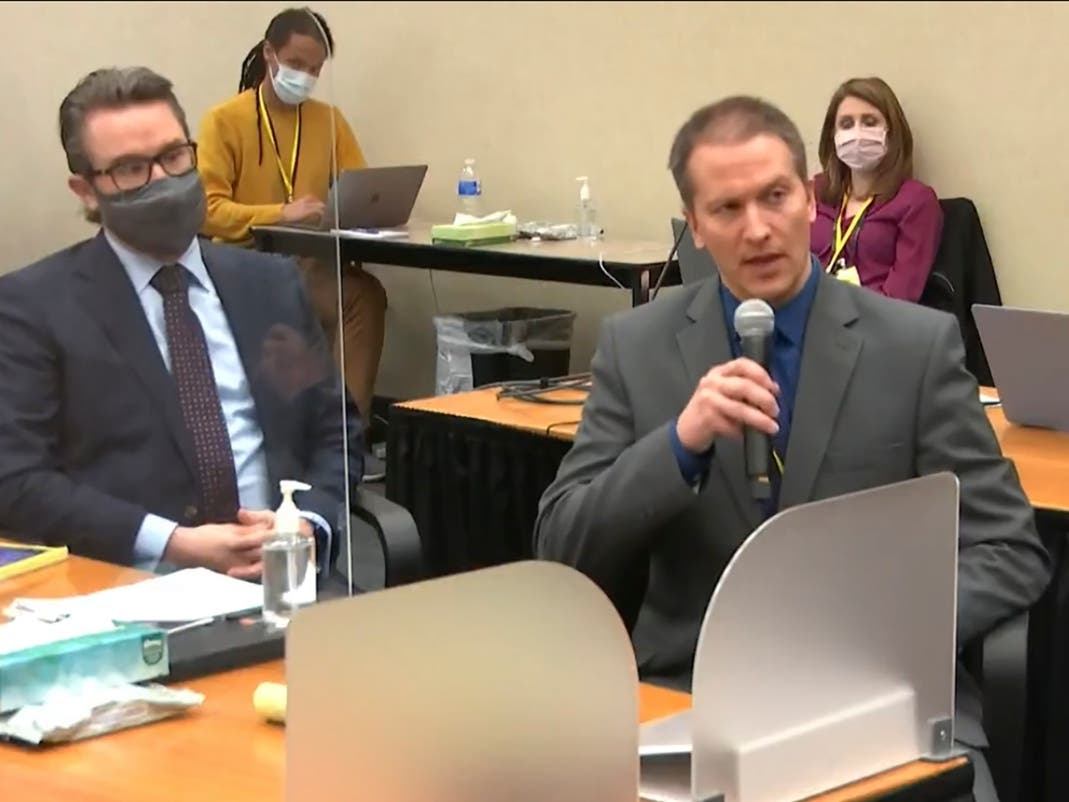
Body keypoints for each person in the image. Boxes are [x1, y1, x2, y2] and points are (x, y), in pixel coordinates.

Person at [533, 95, 1050, 802]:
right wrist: (677, 447)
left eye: (775, 196)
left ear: (808, 197)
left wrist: (885, 630)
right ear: (695, 228)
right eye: (726, 209)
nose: (757, 229)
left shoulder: (913, 346)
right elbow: (562, 550)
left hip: (878, 697)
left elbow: (1009, 548)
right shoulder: (636, 347)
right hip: (694, 703)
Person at [0, 66, 362, 580]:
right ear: (85, 190)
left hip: (285, 580)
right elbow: (15, 481)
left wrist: (307, 524)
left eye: (173, 156)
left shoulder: (270, 283)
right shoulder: (32, 307)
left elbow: (335, 432)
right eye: (130, 168)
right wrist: (175, 543)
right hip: (131, 597)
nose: (163, 182)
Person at [196, 7, 386, 480]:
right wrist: (280, 213)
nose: (305, 76)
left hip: (307, 262)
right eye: (296, 63)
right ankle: (298, 442)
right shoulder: (224, 120)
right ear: (269, 55)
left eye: (315, 69)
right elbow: (207, 210)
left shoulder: (328, 120)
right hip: (243, 263)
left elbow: (357, 187)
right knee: (294, 296)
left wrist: (364, 212)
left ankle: (347, 441)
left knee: (364, 295)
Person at [811, 76, 944, 303]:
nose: (857, 133)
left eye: (870, 122)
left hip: (872, 328)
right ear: (832, 136)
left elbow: (901, 298)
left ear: (892, 132)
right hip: (810, 320)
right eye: (846, 124)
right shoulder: (817, 190)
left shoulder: (915, 201)